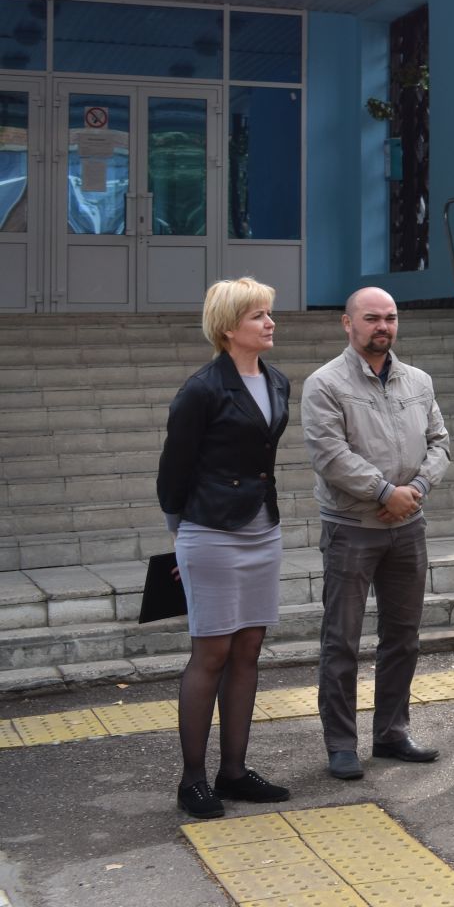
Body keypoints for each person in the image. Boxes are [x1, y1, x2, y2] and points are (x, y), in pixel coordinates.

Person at [157, 277, 293, 819]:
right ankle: (192, 780)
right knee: (210, 653)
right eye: (258, 315)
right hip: (210, 532)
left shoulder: (278, 381)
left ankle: (233, 771)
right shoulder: (202, 389)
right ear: (228, 327)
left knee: (248, 650)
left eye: (268, 313)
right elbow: (173, 473)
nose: (269, 322)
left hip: (263, 530)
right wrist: (182, 538)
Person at [304, 287, 450, 780]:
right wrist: (385, 491)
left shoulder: (419, 381)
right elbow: (329, 455)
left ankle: (391, 733)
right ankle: (341, 744)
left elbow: (440, 443)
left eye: (390, 317)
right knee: (342, 641)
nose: (382, 326)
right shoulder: (323, 384)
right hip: (352, 529)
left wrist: (417, 488)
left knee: (402, 638)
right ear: (348, 324)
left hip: (408, 528)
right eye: (371, 318)